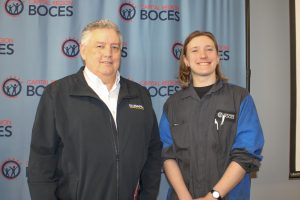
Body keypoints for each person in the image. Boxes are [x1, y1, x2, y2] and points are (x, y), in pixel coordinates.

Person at [27, 19, 162, 200]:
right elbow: (41, 160)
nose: (108, 53)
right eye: (100, 46)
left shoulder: (140, 95)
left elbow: (152, 153)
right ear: (83, 50)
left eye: (115, 47)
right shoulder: (57, 94)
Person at [159, 31, 264, 200]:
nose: (203, 55)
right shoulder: (173, 105)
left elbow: (246, 154)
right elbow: (167, 154)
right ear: (185, 60)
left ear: (218, 57)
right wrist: (184, 197)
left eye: (209, 49)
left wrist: (213, 196)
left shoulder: (240, 98)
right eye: (194, 50)